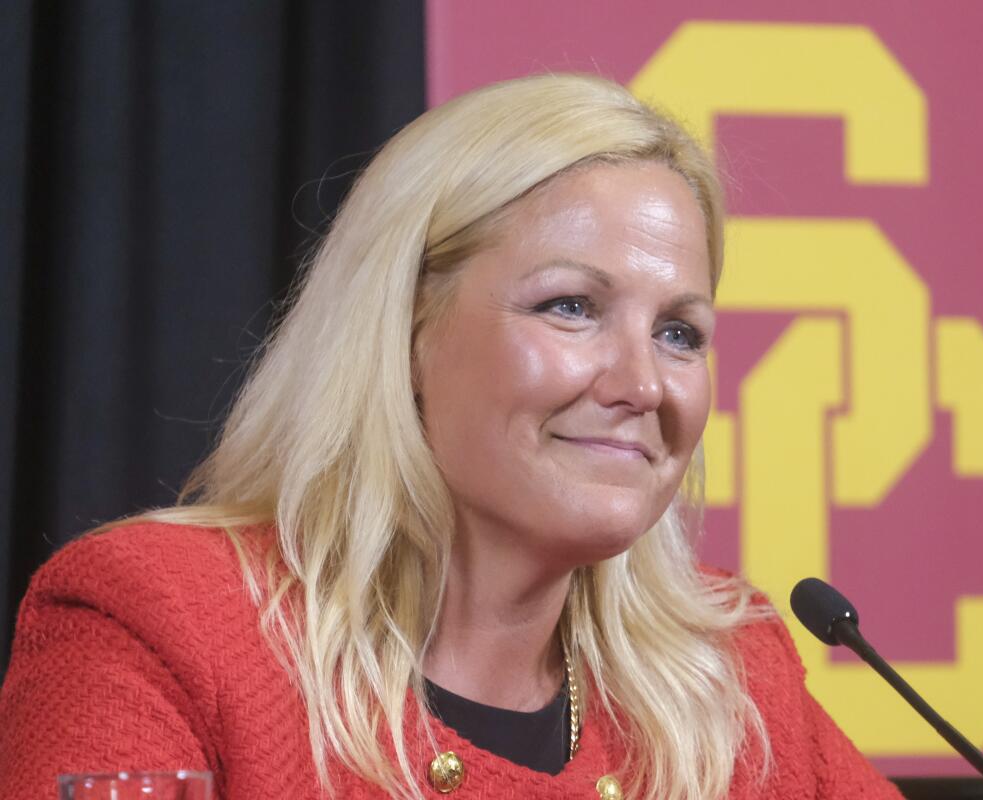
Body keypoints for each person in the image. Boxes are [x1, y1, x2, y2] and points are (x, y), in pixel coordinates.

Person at [0, 73, 901, 800]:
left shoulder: (727, 670)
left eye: (679, 332)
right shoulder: (164, 626)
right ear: (405, 333)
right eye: (572, 307)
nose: (641, 385)